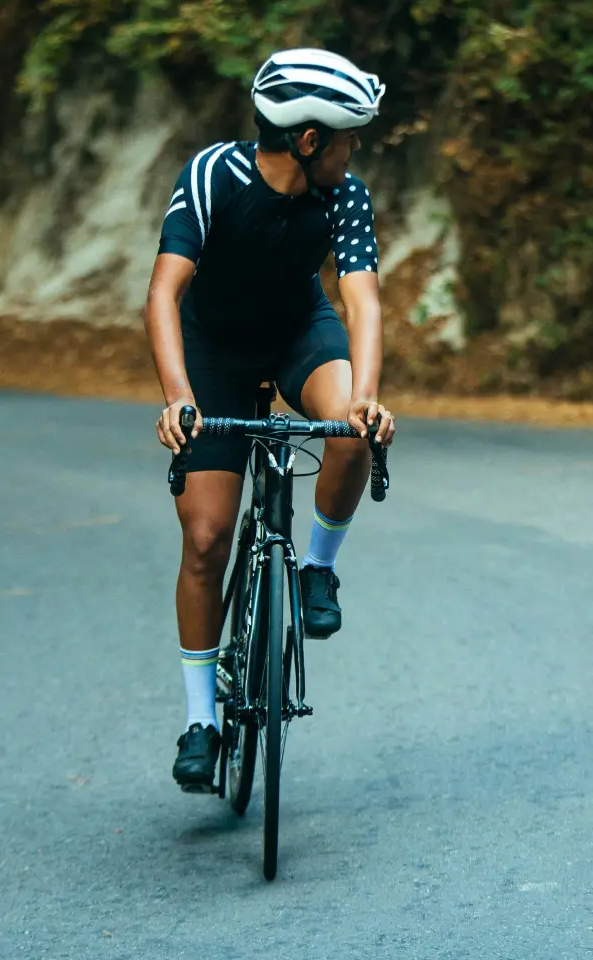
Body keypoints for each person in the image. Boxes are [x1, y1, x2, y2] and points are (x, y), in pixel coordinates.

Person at [143, 48, 397, 792]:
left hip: (297, 334)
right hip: (213, 353)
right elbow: (164, 295)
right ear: (310, 140)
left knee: (352, 428)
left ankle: (318, 568)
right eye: (348, 137)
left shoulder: (344, 195)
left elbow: (363, 300)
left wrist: (369, 395)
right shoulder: (213, 176)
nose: (355, 152)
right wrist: (178, 396)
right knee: (206, 538)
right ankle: (202, 721)